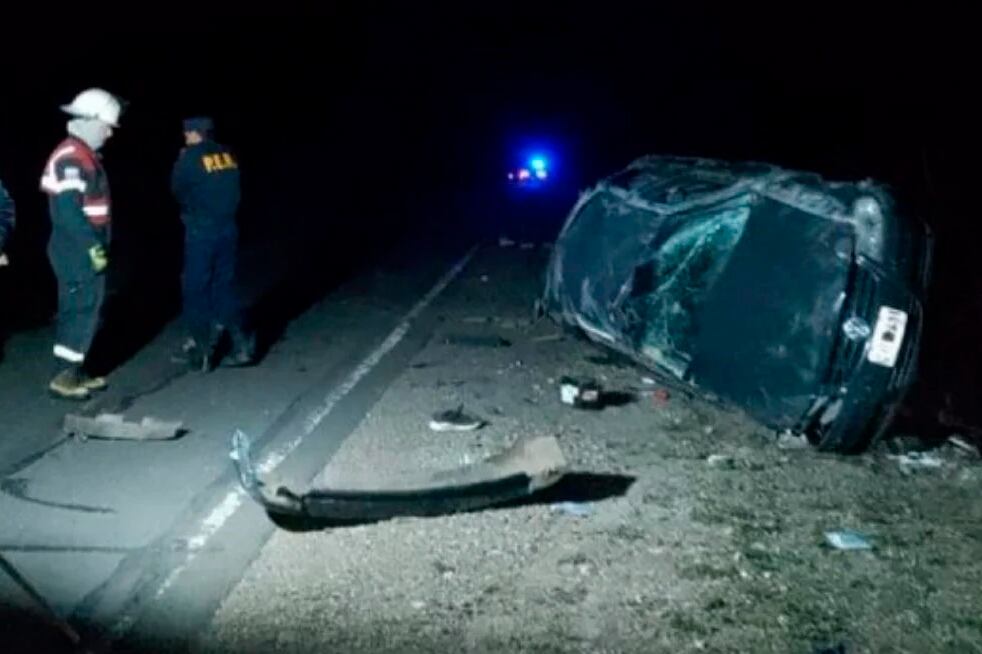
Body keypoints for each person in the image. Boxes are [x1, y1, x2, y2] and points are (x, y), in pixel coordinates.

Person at [39, 88, 121, 399]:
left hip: (83, 247)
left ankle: (76, 369)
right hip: (76, 250)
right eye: (107, 126)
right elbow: (68, 212)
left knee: (86, 308)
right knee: (80, 309)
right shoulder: (71, 158)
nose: (110, 133)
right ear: (89, 121)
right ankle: (64, 377)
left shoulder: (82, 154)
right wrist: (93, 246)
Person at [171, 116, 254, 371]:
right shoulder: (228, 154)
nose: (185, 137)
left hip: (201, 231)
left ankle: (201, 349)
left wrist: (181, 161)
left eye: (187, 133)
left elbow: (177, 189)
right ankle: (242, 345)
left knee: (194, 287)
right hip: (228, 228)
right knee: (222, 287)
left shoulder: (189, 157)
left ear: (196, 134)